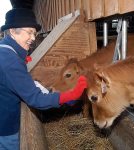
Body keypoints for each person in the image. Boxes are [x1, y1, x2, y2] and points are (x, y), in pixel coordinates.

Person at [0, 8, 87, 150]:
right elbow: (36, 99)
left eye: (34, 33)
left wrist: (56, 95)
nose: (33, 38)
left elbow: (23, 85)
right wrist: (71, 95)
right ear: (12, 31)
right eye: (29, 32)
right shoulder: (9, 60)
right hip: (6, 129)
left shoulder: (6, 51)